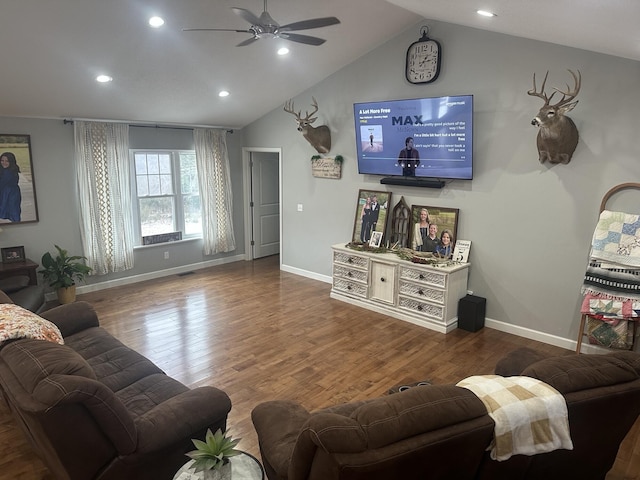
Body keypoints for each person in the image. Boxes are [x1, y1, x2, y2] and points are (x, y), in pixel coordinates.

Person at [0, 152, 21, 222]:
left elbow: (2, 183)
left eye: (7, 161)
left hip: (11, 194)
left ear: (11, 161)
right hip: (9, 192)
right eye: (2, 160)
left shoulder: (8, 173)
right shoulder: (8, 170)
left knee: (13, 211)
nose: (4, 163)